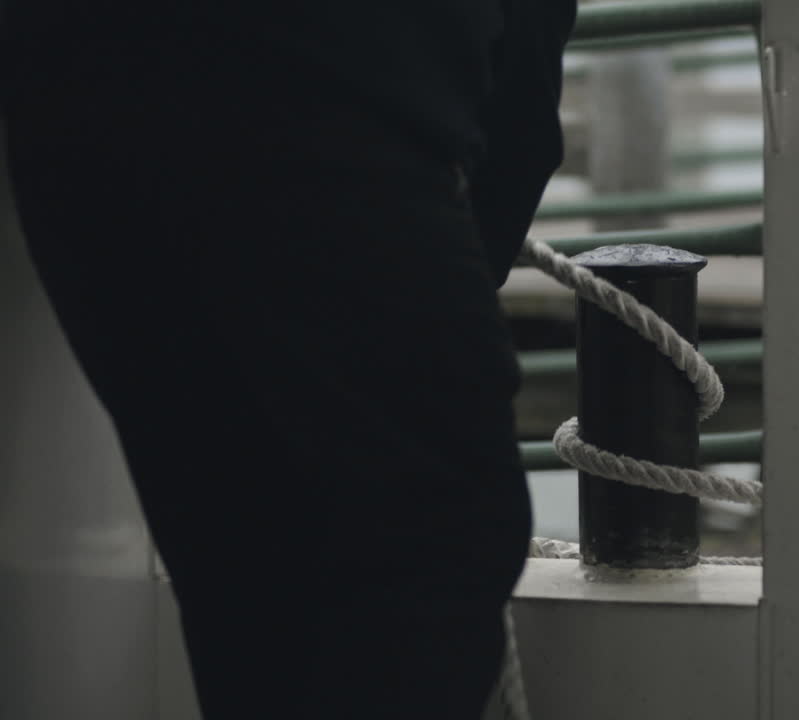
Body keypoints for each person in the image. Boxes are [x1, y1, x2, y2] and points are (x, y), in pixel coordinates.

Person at [1, 0, 576, 716]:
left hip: (78, 103)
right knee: (433, 551)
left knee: (244, 566)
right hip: (322, 105)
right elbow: (523, 105)